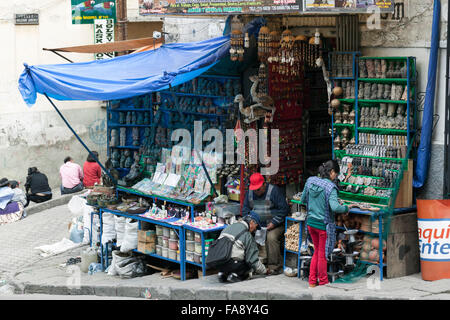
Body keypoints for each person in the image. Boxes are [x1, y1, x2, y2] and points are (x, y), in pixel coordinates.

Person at [300, 160, 357, 288]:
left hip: (310, 223)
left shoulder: (310, 181)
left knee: (316, 252)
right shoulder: (330, 188)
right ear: (331, 172)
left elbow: (303, 199)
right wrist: (347, 207)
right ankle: (324, 281)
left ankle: (312, 282)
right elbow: (335, 208)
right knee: (322, 254)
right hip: (322, 225)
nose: (335, 177)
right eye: (335, 174)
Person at [242, 172, 290, 273]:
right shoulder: (250, 192)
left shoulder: (274, 191)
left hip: (274, 224)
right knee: (246, 236)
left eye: (258, 189)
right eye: (254, 189)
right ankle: (251, 264)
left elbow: (284, 209)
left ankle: (273, 266)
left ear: (264, 184)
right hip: (256, 225)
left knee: (271, 237)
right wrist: (249, 222)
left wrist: (274, 223)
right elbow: (245, 209)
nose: (256, 192)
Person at [216, 212, 271, 283]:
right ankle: (236, 275)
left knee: (235, 253)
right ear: (251, 222)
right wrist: (265, 271)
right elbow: (253, 260)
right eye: (256, 227)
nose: (255, 230)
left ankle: (222, 273)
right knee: (248, 262)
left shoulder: (230, 226)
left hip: (218, 261)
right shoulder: (247, 235)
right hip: (232, 263)